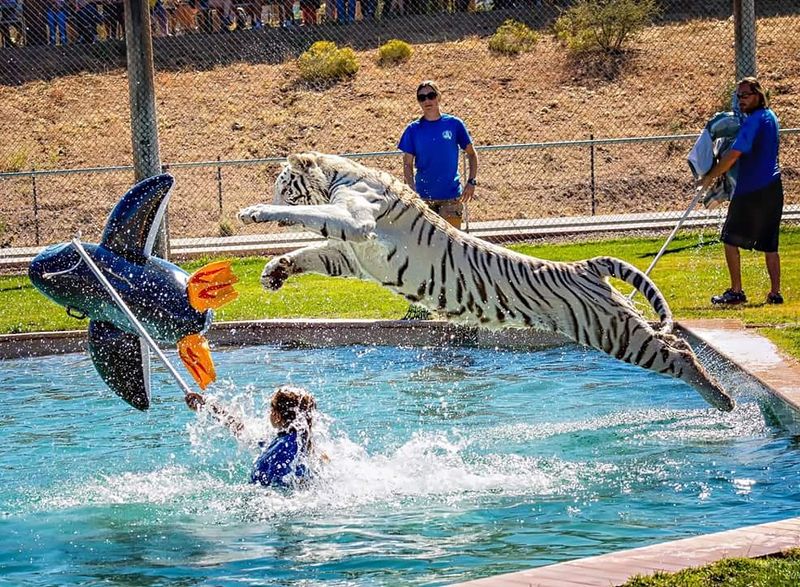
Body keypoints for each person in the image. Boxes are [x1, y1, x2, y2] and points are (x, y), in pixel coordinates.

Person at [700, 77, 783, 306]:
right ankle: (775, 293)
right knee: (770, 244)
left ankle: (736, 292)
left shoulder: (753, 121)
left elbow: (734, 155)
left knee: (729, 238)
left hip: (751, 190)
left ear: (758, 95)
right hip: (773, 188)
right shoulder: (771, 117)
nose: (741, 101)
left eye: (746, 95)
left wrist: (711, 175)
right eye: (739, 97)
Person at [186, 385, 318, 488]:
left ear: (277, 416)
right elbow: (240, 429)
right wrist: (207, 406)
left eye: (271, 409)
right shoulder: (303, 443)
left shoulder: (279, 448)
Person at [398, 80, 479, 229]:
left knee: (450, 241)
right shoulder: (413, 130)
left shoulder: (454, 124)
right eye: (422, 98)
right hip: (423, 199)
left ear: (439, 97)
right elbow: (407, 163)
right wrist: (411, 190)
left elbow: (472, 154)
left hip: (451, 197)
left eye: (431, 95)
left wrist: (471, 182)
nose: (427, 101)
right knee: (425, 242)